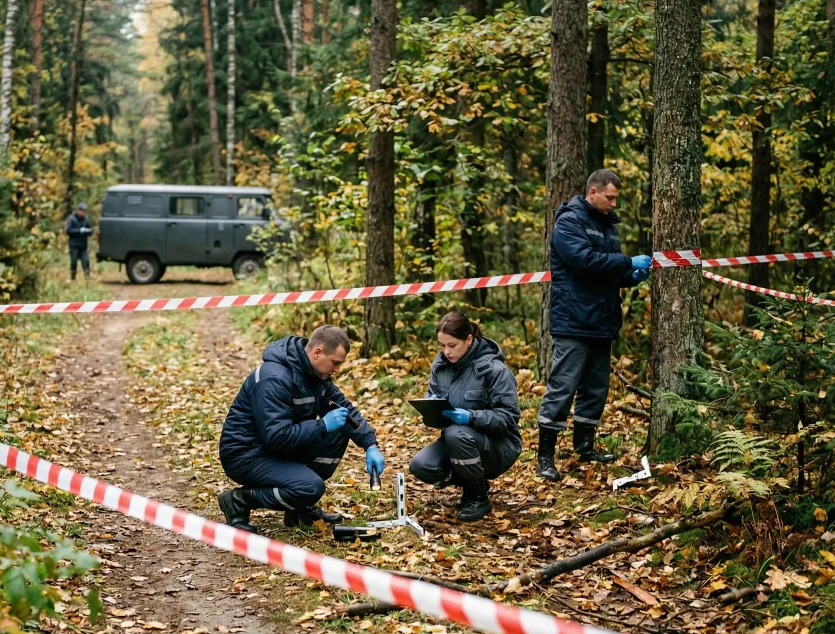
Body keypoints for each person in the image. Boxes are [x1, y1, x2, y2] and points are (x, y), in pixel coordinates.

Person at [537, 168, 652, 480]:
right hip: (574, 320)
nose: (614, 203)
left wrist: (631, 276)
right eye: (610, 197)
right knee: (562, 387)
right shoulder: (569, 221)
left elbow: (607, 271)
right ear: (593, 193)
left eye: (616, 198)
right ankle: (545, 457)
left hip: (602, 320)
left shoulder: (607, 226)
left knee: (596, 389)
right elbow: (584, 262)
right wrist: (628, 262)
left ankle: (584, 446)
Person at [217, 325, 385, 533]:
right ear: (317, 353)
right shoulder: (275, 378)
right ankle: (239, 500)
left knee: (341, 429)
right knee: (310, 487)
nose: (337, 370)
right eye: (335, 363)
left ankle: (298, 510)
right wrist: (322, 425)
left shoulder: (315, 376)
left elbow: (346, 410)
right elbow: (276, 437)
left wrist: (370, 444)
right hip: (246, 454)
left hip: (277, 448)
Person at [409, 311, 522, 523]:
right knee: (421, 465)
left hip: (499, 446)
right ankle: (475, 482)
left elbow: (508, 419)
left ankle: (478, 498)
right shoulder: (440, 365)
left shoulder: (494, 369)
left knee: (455, 433)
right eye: (442, 346)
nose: (446, 351)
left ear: (468, 340)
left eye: (452, 345)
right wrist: (430, 408)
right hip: (457, 440)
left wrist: (470, 417)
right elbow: (432, 398)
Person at [64, 202, 93, 280]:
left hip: (83, 246)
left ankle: (87, 278)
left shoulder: (86, 219)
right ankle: (73, 278)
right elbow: (68, 230)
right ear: (78, 210)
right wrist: (79, 230)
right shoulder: (71, 218)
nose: (84, 212)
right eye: (83, 211)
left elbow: (90, 231)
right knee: (74, 263)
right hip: (74, 245)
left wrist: (88, 231)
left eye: (85, 211)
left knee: (86, 262)